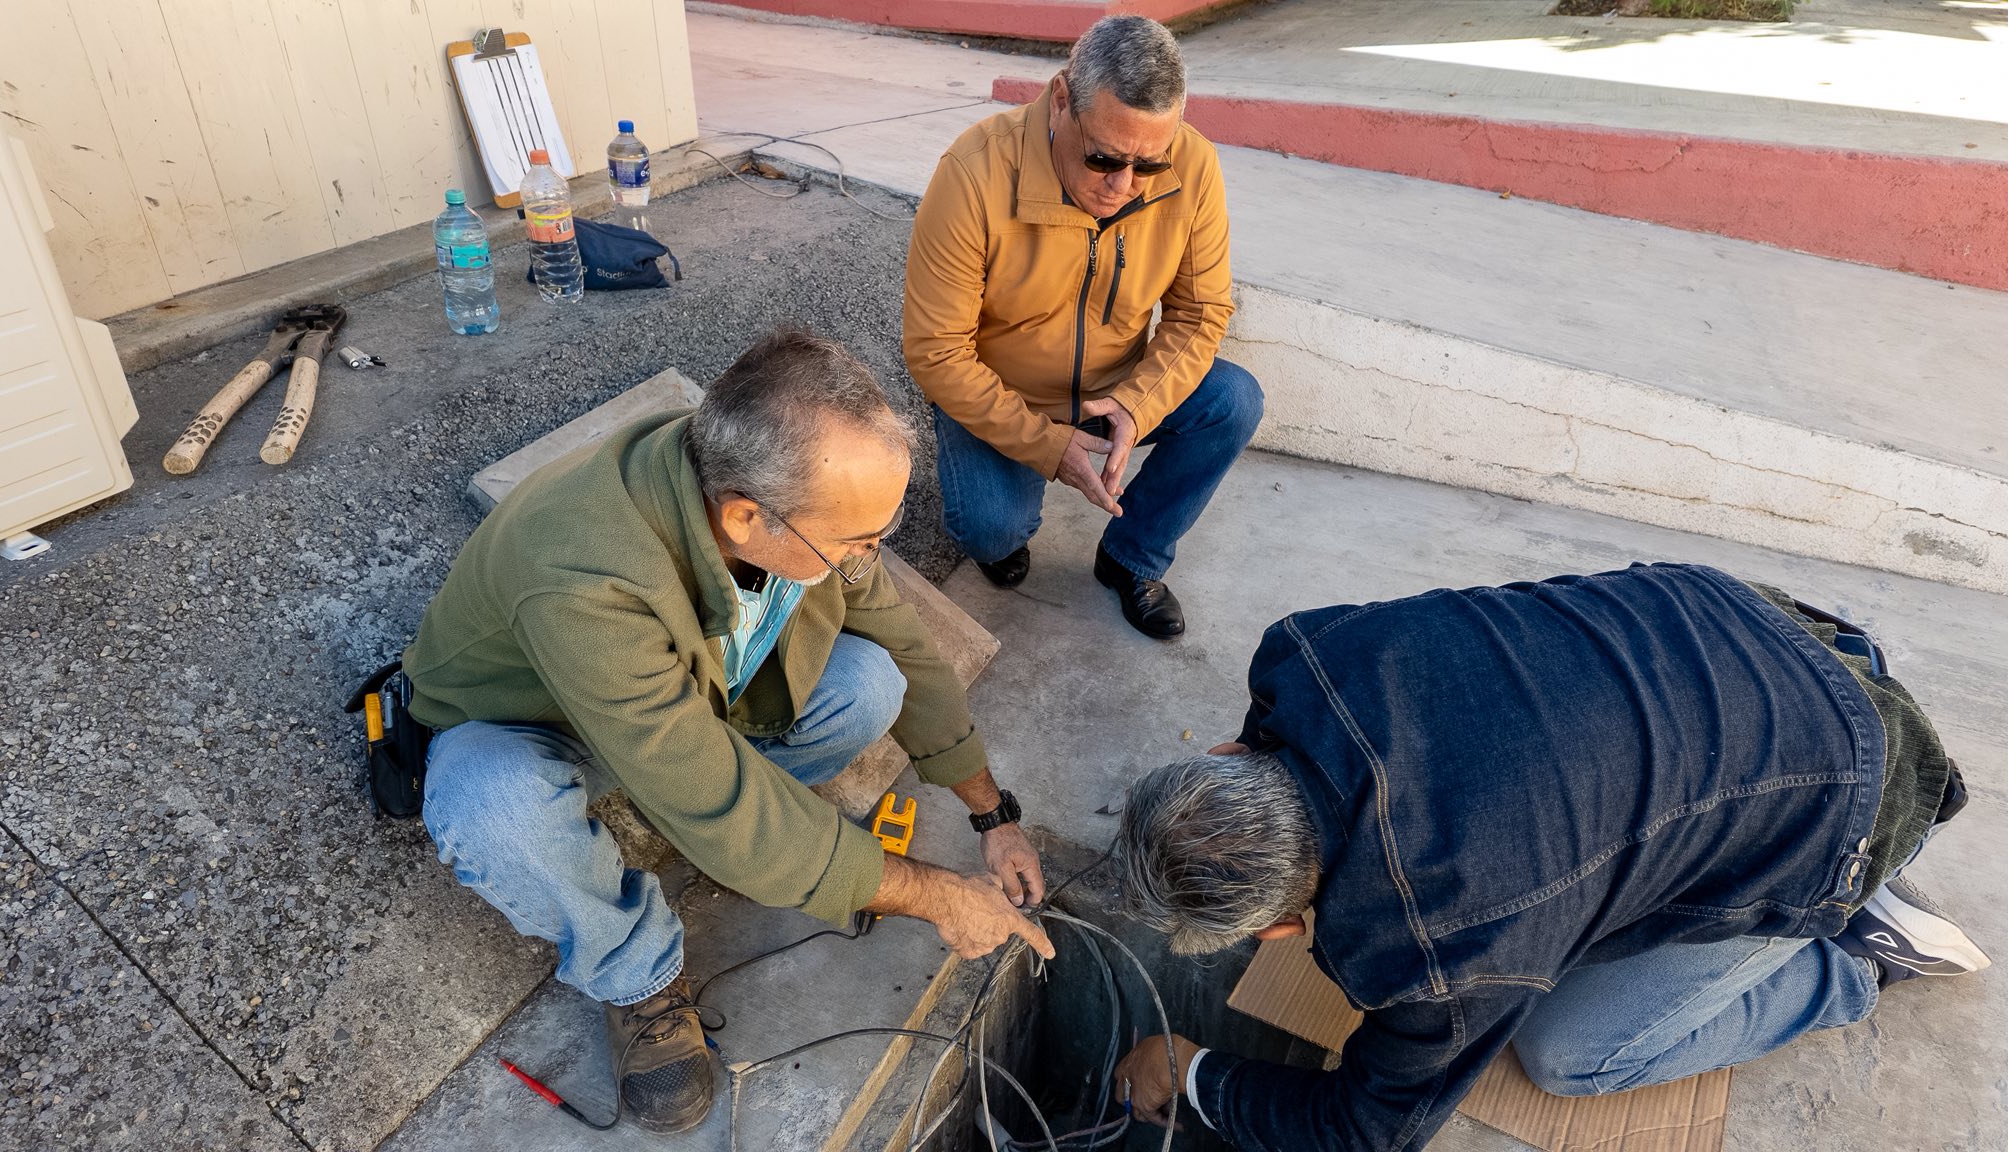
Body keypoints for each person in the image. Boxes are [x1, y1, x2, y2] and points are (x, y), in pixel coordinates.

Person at [401, 328, 1055, 1134]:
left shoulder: (760, 484)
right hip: (542, 724)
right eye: (856, 543)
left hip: (681, 695)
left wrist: (994, 816)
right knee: (487, 798)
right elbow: (705, 784)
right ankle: (638, 975)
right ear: (746, 517)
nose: (868, 559)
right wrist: (934, 894)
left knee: (868, 681)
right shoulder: (583, 572)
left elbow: (906, 647)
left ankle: (756, 845)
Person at [1106, 563, 1985, 1150]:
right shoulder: (1308, 652)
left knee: (1573, 1055)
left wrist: (1195, 1076)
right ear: (1221, 758)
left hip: (1859, 780)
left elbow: (1369, 1130)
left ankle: (1848, 960)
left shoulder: (1437, 952)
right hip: (1748, 620)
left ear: (1279, 929)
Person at [903, 15, 1261, 639]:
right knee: (991, 530)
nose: (1123, 186)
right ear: (1062, 98)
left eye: (1148, 165)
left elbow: (1201, 312)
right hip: (1004, 399)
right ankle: (1002, 526)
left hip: (1116, 386)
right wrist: (1045, 446)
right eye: (1103, 158)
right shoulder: (974, 172)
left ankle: (1133, 556)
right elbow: (936, 351)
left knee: (1233, 401)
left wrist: (1136, 404)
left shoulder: (1195, 164)